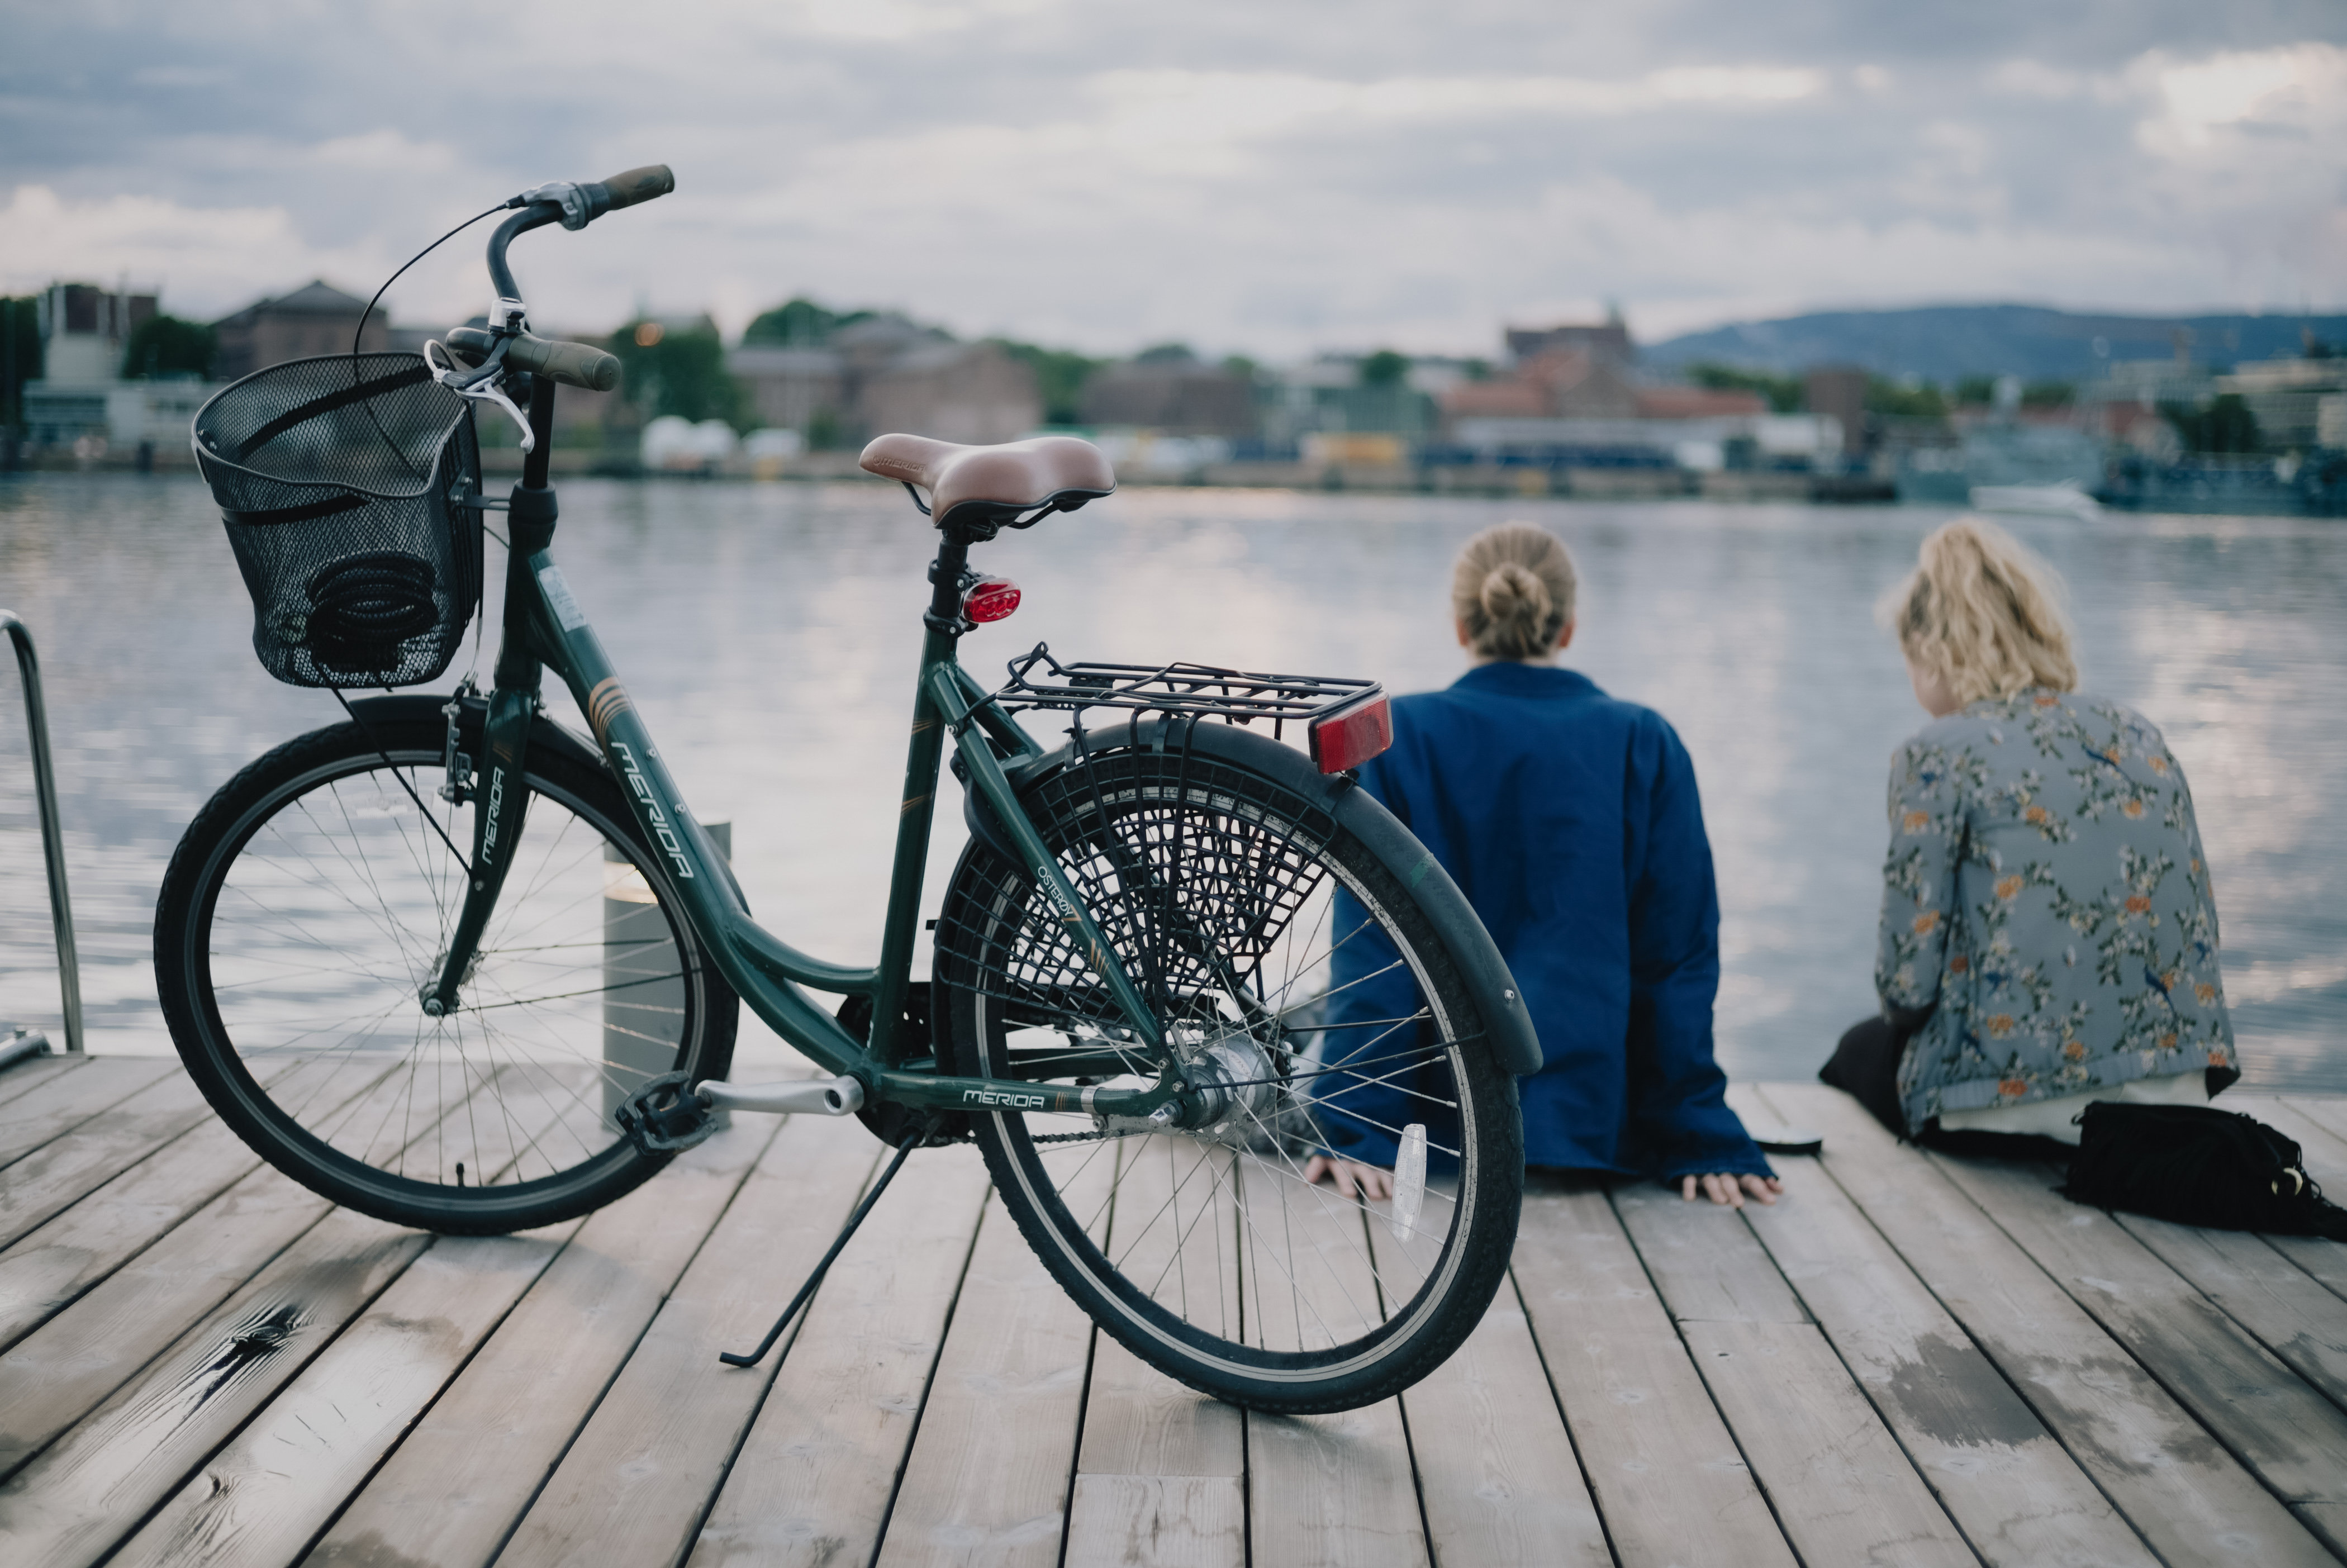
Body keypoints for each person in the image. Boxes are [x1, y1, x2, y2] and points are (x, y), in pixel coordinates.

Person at [1303, 523, 1779, 1208]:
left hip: (1436, 1135)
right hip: (1594, 1126)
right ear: (1570, 625)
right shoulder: (1643, 742)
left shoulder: (1398, 742)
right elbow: (1676, 959)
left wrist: (1358, 1128)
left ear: (1461, 625)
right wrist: (1699, 1134)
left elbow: (1372, 953)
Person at [1821, 518, 2238, 1144]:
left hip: (2014, 1105)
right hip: (2176, 1088)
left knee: (1856, 1051)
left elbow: (1905, 988)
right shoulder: (2139, 733)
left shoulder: (1937, 753)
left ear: (1933, 653)